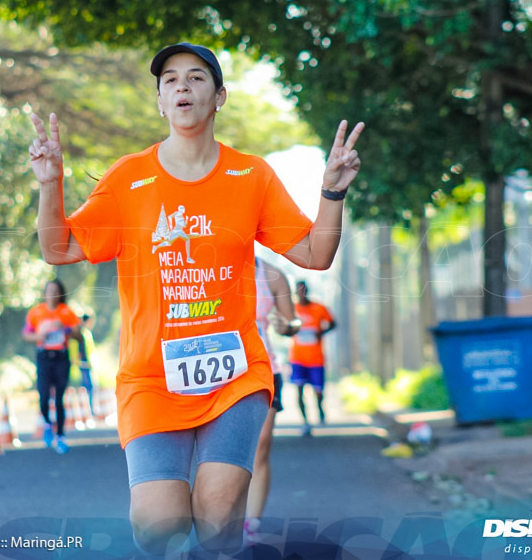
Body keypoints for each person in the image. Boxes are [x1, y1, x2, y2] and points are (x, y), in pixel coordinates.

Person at [27, 42, 363, 554]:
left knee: (217, 516)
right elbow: (58, 247)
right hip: (151, 378)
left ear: (219, 96)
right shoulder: (127, 179)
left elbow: (316, 254)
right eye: (170, 80)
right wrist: (51, 185)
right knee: (159, 525)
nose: (182, 86)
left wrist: (332, 193)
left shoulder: (251, 176)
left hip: (234, 375)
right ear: (160, 101)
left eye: (197, 77)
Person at [244, 258, 299, 543]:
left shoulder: (273, 275)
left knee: (260, 448)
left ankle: (251, 522)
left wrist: (286, 326)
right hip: (218, 374)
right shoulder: (205, 268)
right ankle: (217, 515)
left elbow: (292, 323)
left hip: (263, 369)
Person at [22, 278, 80, 454]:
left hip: (61, 357)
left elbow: (79, 334)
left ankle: (61, 436)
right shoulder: (36, 312)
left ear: (60, 293)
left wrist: (65, 328)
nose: (52, 294)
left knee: (60, 398)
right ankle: (47, 423)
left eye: (56, 291)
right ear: (45, 293)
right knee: (44, 395)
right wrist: (40, 336)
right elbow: (26, 334)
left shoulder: (66, 312)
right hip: (44, 357)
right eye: (49, 291)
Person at [289, 280, 335, 436]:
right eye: (298, 291)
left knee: (318, 392)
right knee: (299, 390)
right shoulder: (292, 309)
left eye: (303, 290)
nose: (301, 293)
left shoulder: (319, 308)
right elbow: (284, 326)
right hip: (298, 357)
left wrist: (320, 333)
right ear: (295, 292)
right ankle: (305, 422)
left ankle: (320, 409)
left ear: (307, 291)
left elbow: (333, 323)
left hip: (316, 358)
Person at [69, 312, 98, 417]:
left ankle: (90, 411)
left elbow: (91, 350)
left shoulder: (86, 333)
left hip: (88, 365)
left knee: (91, 388)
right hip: (79, 366)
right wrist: (76, 362)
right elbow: (72, 352)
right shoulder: (74, 335)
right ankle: (80, 413)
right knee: (79, 390)